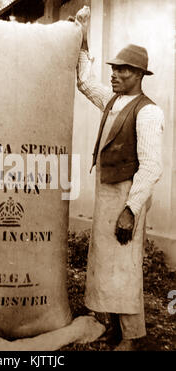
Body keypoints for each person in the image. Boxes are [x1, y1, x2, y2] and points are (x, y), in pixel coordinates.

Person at [74, 6, 164, 350]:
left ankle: (133, 336)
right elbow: (85, 83)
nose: (114, 74)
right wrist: (82, 43)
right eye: (113, 68)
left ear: (139, 74)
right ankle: (112, 327)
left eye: (123, 70)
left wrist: (131, 209)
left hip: (127, 195)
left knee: (124, 266)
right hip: (107, 194)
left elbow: (152, 166)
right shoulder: (113, 101)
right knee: (105, 262)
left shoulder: (148, 111)